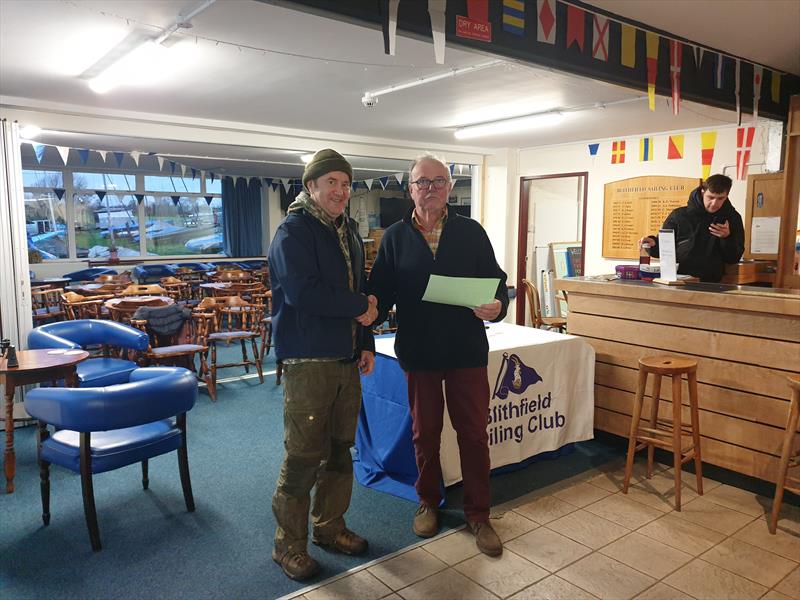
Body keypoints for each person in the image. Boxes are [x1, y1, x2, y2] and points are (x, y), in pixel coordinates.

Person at [368, 154, 509, 556]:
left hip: (466, 350)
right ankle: (428, 501)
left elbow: (497, 284)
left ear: (449, 187)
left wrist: (498, 304)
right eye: (421, 182)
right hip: (420, 351)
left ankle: (479, 515)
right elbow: (380, 290)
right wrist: (364, 315)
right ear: (410, 189)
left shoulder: (471, 231)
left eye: (438, 181)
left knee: (473, 435)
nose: (430, 188)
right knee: (424, 434)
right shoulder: (394, 237)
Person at [268, 149, 377, 581]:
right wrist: (359, 308)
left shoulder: (347, 231)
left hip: (346, 358)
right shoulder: (293, 232)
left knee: (338, 452)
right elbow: (303, 292)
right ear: (310, 186)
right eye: (331, 182)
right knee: (303, 458)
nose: (340, 191)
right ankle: (287, 546)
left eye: (346, 184)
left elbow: (361, 289)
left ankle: (329, 528)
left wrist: (365, 339)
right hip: (308, 361)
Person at [639, 174, 744, 282]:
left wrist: (727, 238)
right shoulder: (679, 215)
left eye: (720, 198)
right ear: (703, 192)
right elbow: (662, 249)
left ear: (727, 195)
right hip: (678, 280)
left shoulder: (732, 218)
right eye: (711, 197)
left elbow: (733, 258)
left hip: (712, 283)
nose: (714, 203)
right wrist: (652, 244)